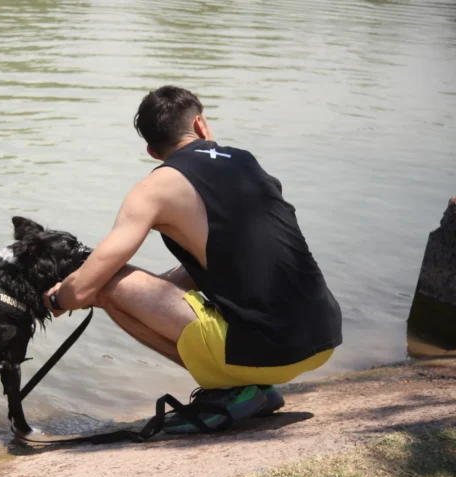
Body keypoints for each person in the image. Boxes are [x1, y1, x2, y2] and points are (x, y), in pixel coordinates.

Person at [42, 85, 343, 425]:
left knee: (108, 283)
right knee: (142, 285)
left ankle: (234, 387)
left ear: (153, 152)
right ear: (201, 126)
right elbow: (229, 257)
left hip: (269, 351)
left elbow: (83, 289)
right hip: (322, 337)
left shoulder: (153, 189)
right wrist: (155, 292)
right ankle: (253, 383)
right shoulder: (248, 164)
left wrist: (58, 300)